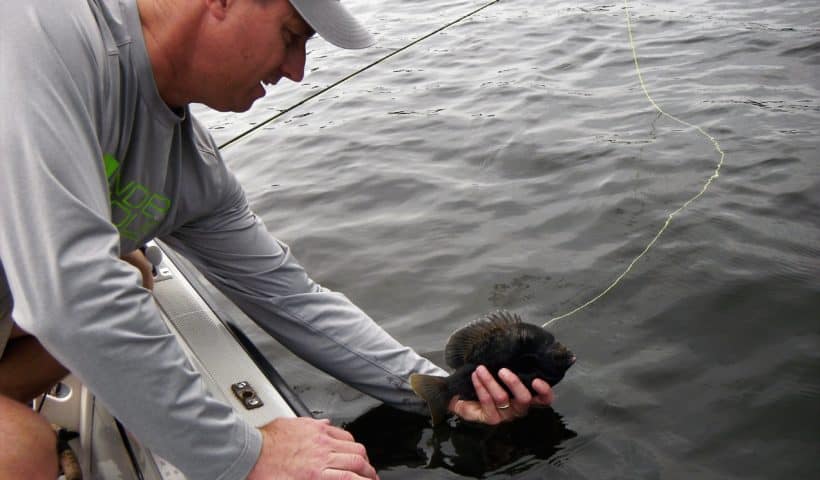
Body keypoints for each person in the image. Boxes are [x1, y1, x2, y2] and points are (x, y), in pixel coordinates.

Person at [0, 0, 555, 479]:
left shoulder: (190, 169)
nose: (297, 70)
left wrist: (444, 389)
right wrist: (244, 457)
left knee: (135, 273)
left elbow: (292, 299)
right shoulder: (44, 28)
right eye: (291, 36)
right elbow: (70, 291)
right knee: (20, 452)